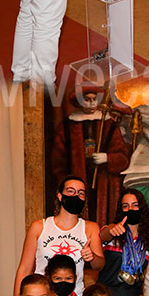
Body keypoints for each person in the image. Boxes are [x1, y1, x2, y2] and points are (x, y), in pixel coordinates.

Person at [12, 176, 104, 296]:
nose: (76, 196)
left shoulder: (90, 228)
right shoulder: (39, 227)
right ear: (60, 196)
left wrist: (92, 256)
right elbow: (24, 269)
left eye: (81, 193)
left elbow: (99, 265)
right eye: (71, 191)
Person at [49, 85, 130, 224]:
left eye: (94, 99)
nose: (91, 103)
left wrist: (108, 158)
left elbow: (123, 158)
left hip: (104, 184)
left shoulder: (109, 125)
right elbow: (58, 159)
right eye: (87, 99)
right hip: (77, 180)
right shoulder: (68, 126)